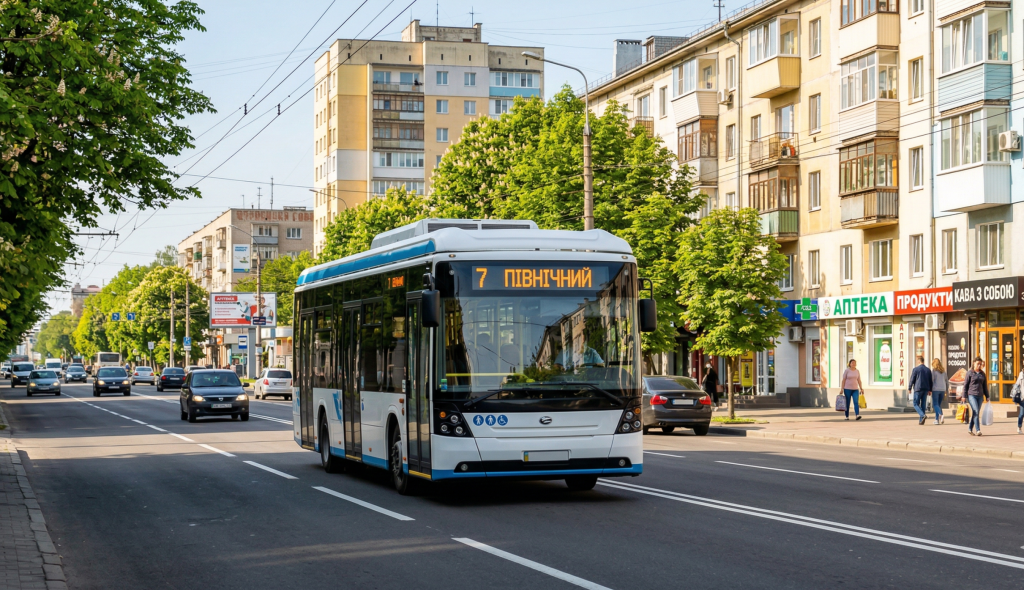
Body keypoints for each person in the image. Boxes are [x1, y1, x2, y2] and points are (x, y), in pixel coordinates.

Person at [963, 357, 989, 436]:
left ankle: (970, 428)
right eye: (978, 364)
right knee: (976, 411)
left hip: (980, 396)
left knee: (975, 413)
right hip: (972, 395)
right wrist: (964, 396)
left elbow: (985, 386)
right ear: (974, 363)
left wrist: (987, 396)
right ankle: (978, 430)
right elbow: (965, 385)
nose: (979, 366)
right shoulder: (970, 373)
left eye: (980, 364)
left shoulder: (982, 374)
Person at [908, 355, 933, 425]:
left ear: (919, 361)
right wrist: (930, 390)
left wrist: (909, 388)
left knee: (915, 403)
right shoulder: (928, 370)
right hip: (925, 389)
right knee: (923, 404)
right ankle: (921, 421)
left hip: (918, 389)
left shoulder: (915, 369)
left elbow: (912, 379)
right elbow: (930, 381)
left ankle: (922, 415)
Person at [931, 359, 947, 425]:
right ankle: (936, 420)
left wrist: (930, 388)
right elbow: (946, 381)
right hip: (943, 389)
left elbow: (932, 380)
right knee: (939, 405)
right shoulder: (944, 371)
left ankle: (940, 415)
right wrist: (946, 389)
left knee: (935, 404)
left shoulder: (934, 371)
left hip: (936, 389)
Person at [1014, 367, 1024, 435]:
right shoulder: (1021, 375)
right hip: (1023, 397)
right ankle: (1019, 427)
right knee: (1022, 413)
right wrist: (1015, 395)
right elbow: (1017, 385)